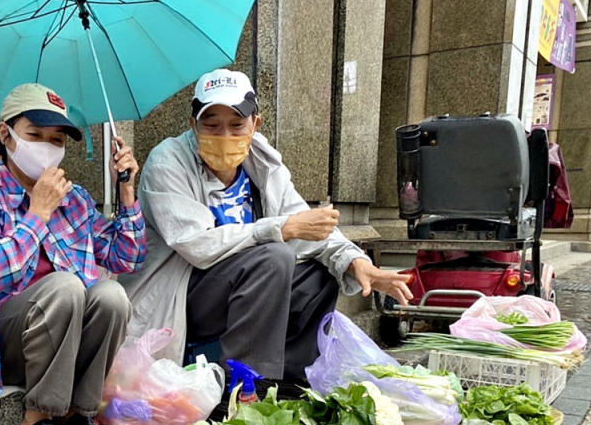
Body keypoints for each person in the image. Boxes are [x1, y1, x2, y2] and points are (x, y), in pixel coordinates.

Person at [121, 68, 412, 391]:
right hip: (184, 291)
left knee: (319, 274)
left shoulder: (261, 162)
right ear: (193, 125)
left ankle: (289, 381)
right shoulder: (168, 162)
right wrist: (280, 229)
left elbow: (303, 223)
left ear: (255, 123)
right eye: (211, 125)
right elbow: (197, 245)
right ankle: (240, 387)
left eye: (236, 125)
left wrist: (356, 261)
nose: (225, 137)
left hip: (247, 288)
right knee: (274, 257)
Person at [0, 83, 146, 425]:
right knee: (66, 287)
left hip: (64, 343)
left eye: (55, 139)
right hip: (1, 340)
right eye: (35, 135)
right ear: (7, 134)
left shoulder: (76, 198)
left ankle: (79, 412)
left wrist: (127, 191)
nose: (47, 147)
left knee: (111, 296)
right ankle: (38, 417)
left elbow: (126, 258)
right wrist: (37, 215)